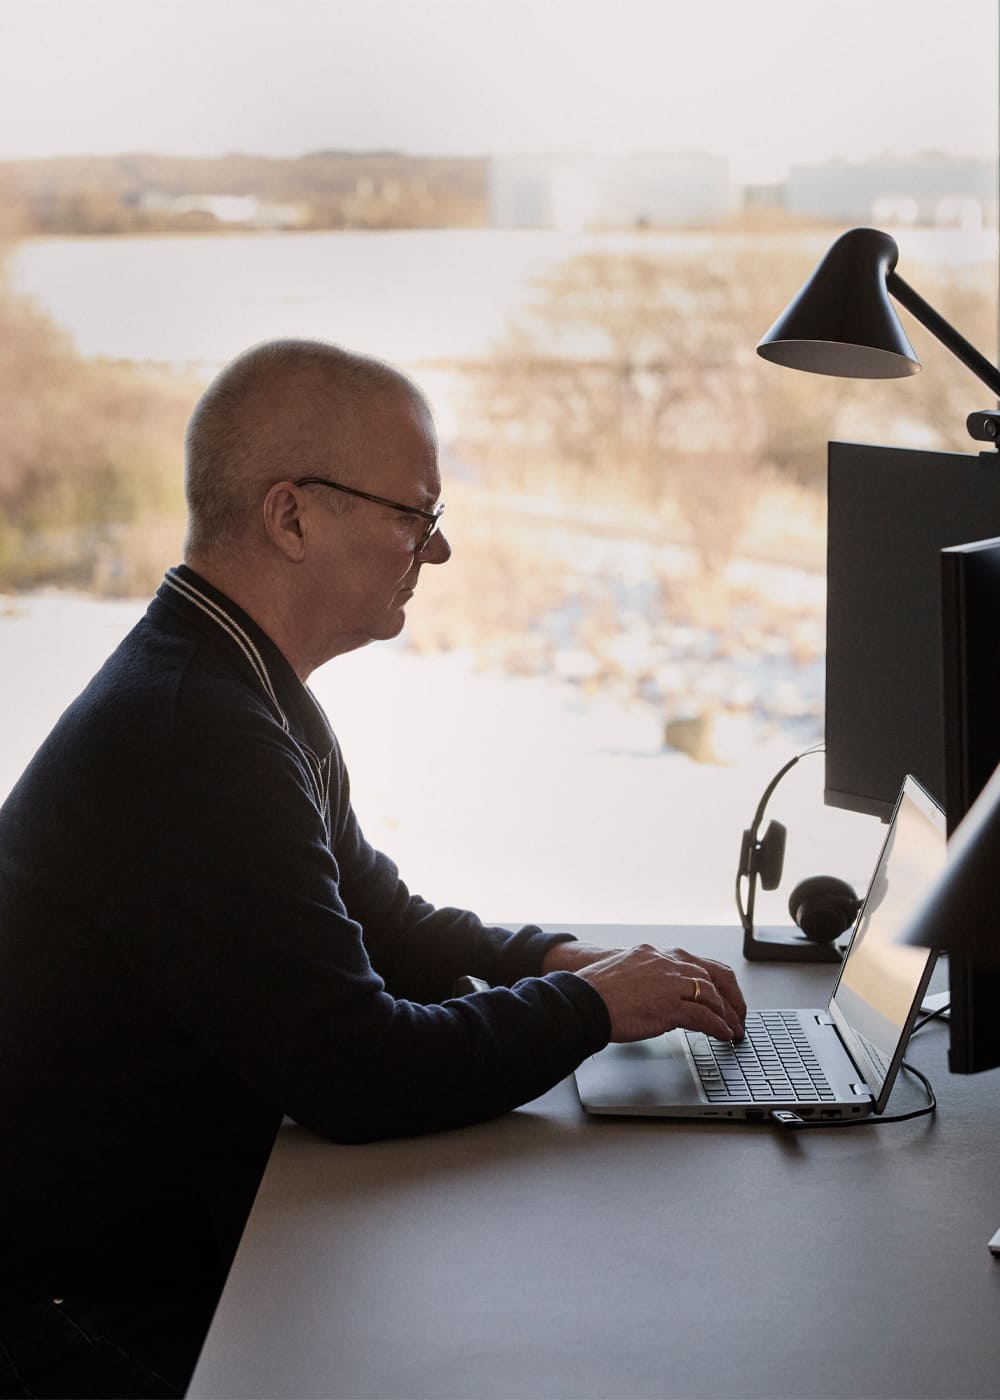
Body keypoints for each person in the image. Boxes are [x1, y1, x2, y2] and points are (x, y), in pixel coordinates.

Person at [0, 338, 746, 1397]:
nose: (433, 553)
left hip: (169, 1254)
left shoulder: (234, 682)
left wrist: (554, 954)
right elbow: (359, 1070)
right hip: (78, 1319)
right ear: (292, 514)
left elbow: (380, 914)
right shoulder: (194, 734)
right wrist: (585, 1007)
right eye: (414, 514)